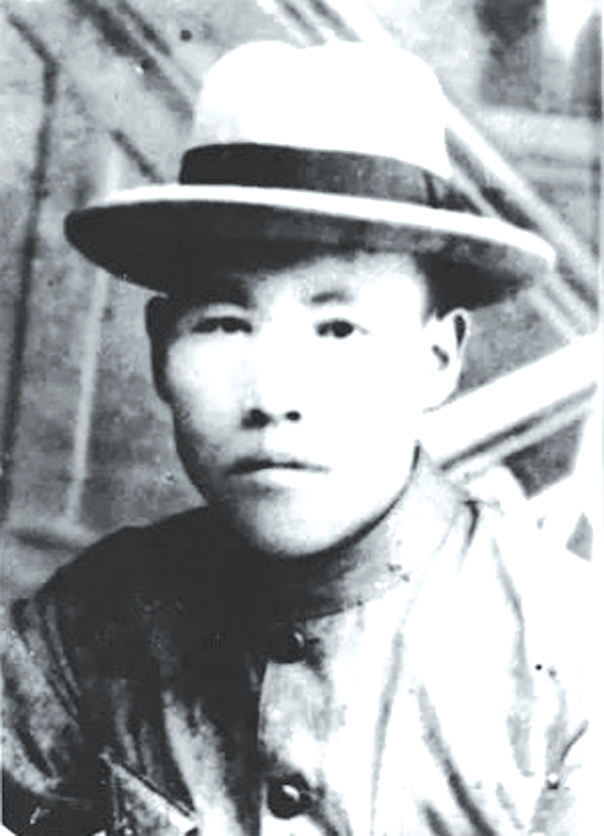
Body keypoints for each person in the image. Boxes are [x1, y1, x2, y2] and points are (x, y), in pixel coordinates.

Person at [2, 40, 593, 836]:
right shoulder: (83, 628)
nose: (274, 397)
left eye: (339, 327)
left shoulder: (573, 659)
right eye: (222, 322)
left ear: (437, 359)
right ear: (161, 348)